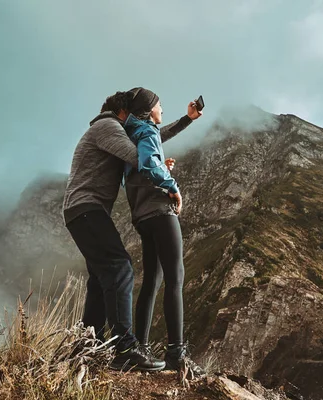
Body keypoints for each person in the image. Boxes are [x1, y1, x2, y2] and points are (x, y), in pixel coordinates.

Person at [62, 90, 196, 371]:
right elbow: (142, 155)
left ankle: (87, 345)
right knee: (120, 268)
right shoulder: (107, 127)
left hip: (83, 210)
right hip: (86, 208)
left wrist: (185, 121)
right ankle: (124, 347)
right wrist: (165, 173)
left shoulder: (111, 127)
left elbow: (149, 139)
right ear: (125, 113)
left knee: (100, 280)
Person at [122, 87, 205, 380]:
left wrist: (188, 119)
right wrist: (171, 185)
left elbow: (157, 142)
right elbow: (148, 162)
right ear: (148, 110)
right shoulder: (146, 133)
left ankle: (141, 349)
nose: (162, 109)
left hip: (141, 216)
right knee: (175, 279)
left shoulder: (133, 133)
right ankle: (176, 354)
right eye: (159, 105)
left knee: (152, 282)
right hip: (160, 210)